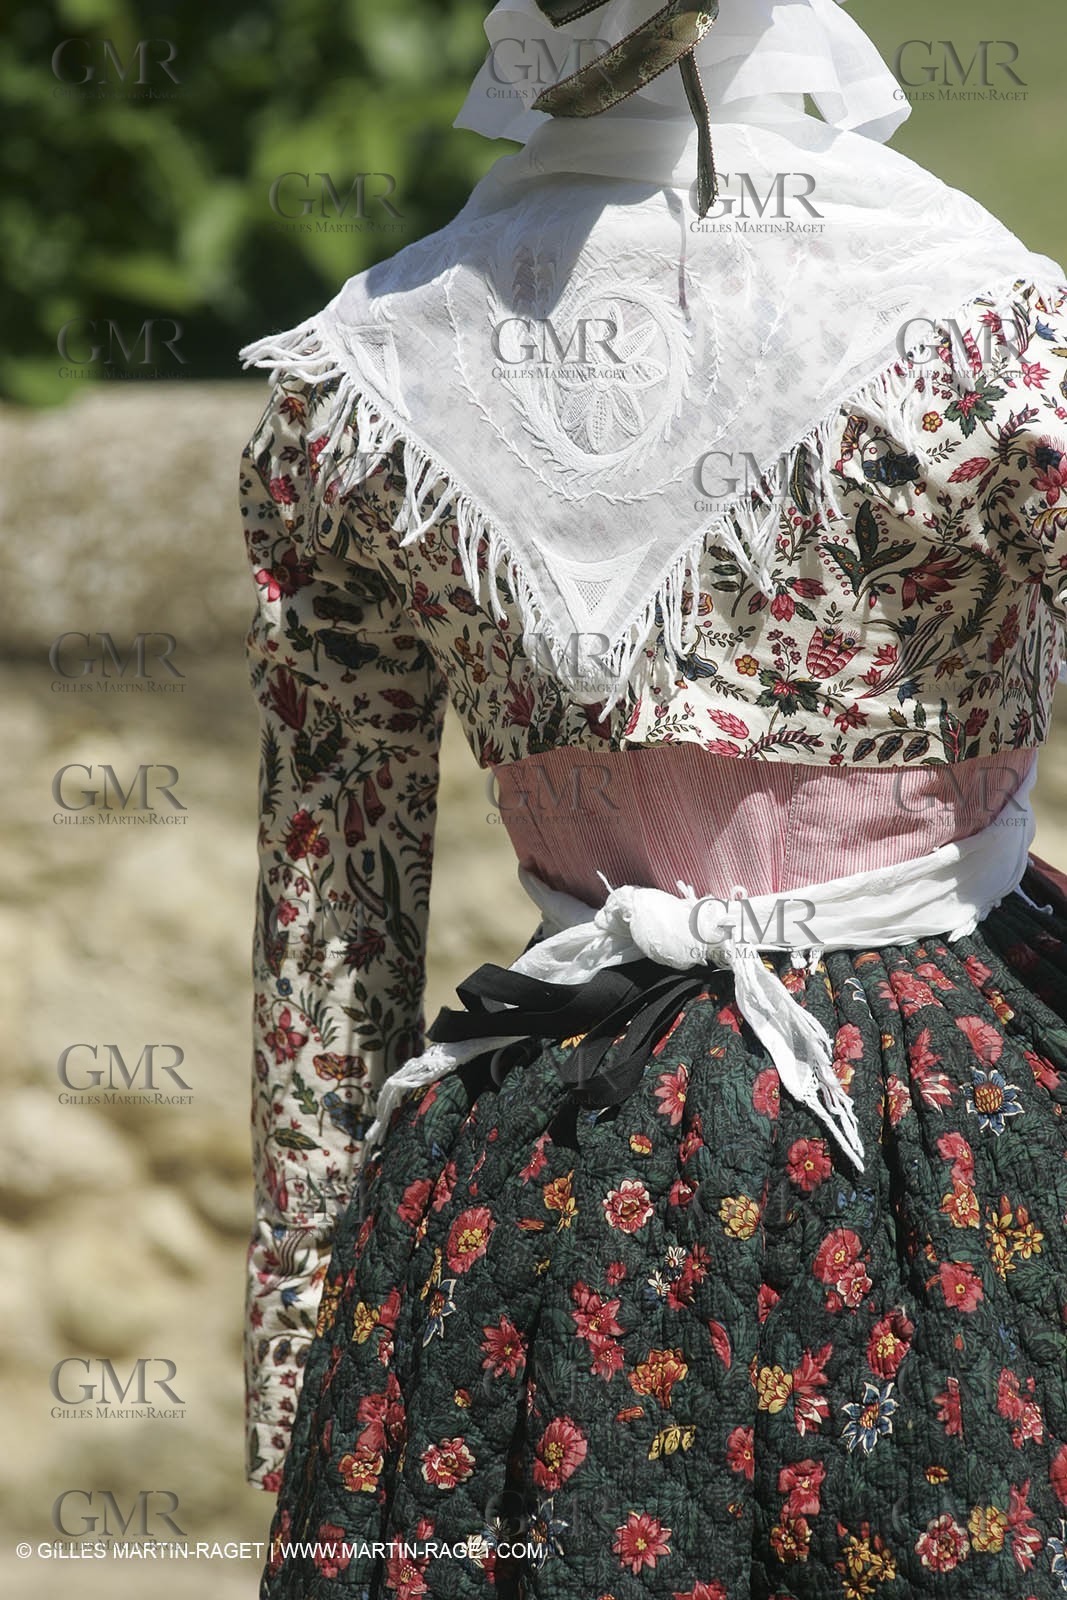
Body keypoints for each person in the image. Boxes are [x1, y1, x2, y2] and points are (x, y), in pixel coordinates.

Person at [237, 1, 1067, 1593]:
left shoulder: (357, 385)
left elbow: (330, 909)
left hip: (541, 1150)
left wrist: (303, 1344)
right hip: (941, 1118)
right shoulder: (983, 334)